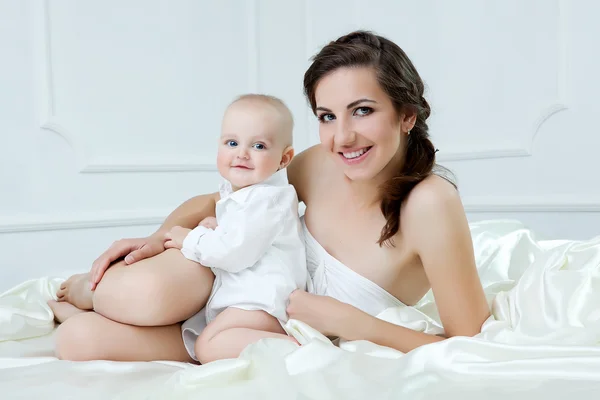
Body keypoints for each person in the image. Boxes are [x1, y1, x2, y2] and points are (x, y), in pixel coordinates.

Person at [49, 30, 490, 362]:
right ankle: (92, 290)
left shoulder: (430, 202)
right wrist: (159, 236)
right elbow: (220, 200)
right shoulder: (320, 162)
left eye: (363, 111)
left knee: (77, 342)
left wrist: (346, 322)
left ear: (407, 114)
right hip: (230, 279)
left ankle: (94, 306)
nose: (343, 136)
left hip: (255, 326)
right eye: (326, 116)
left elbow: (466, 341)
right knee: (140, 294)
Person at [164, 94, 307, 363]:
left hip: (263, 303)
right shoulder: (245, 197)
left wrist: (192, 238)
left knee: (207, 346)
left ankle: (302, 350)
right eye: (232, 143)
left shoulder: (267, 200)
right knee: (205, 338)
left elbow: (233, 253)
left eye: (259, 146)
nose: (241, 153)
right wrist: (217, 228)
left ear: (284, 158)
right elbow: (243, 236)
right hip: (247, 301)